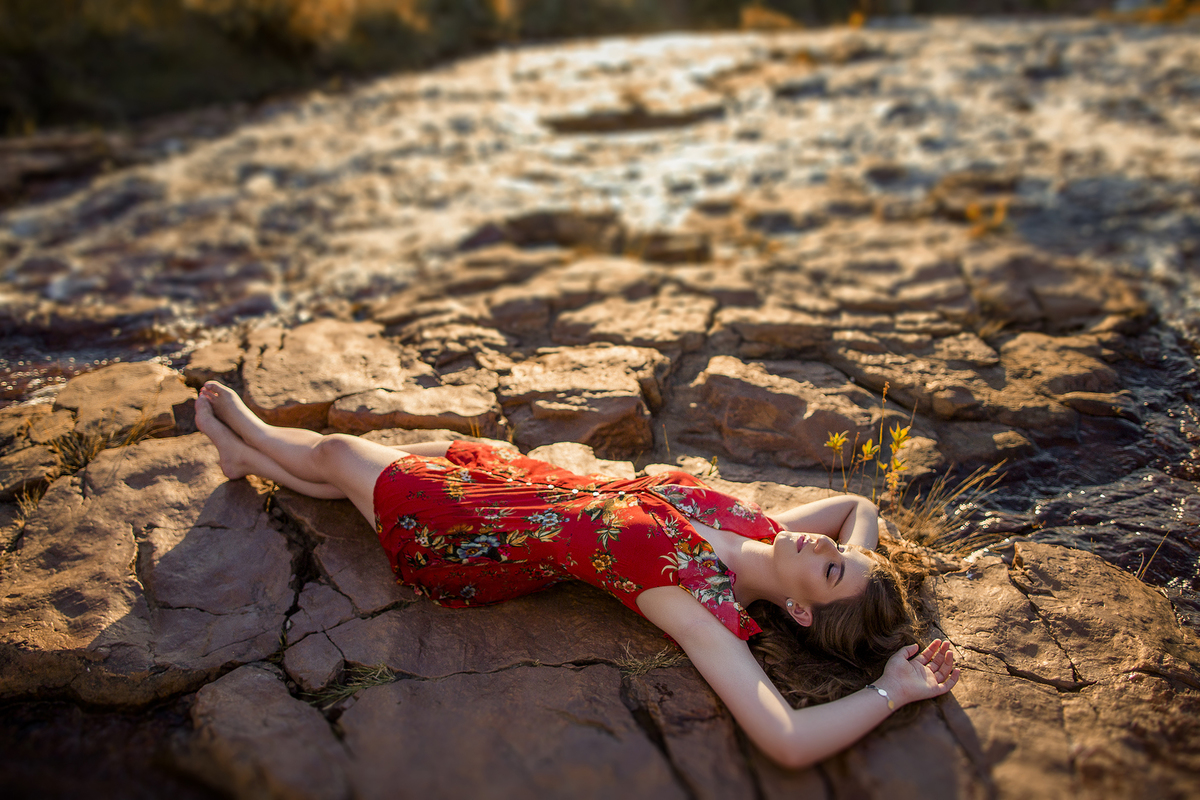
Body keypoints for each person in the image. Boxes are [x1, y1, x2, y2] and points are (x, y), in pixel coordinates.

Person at [194, 381, 958, 769]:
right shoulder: (762, 527)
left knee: (337, 460)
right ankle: (249, 459)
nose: (820, 542)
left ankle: (256, 438)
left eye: (828, 568)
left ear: (797, 611)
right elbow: (858, 504)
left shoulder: (697, 603)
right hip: (526, 485)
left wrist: (892, 688)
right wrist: (874, 579)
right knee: (348, 483)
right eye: (841, 551)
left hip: (470, 536)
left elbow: (786, 742)